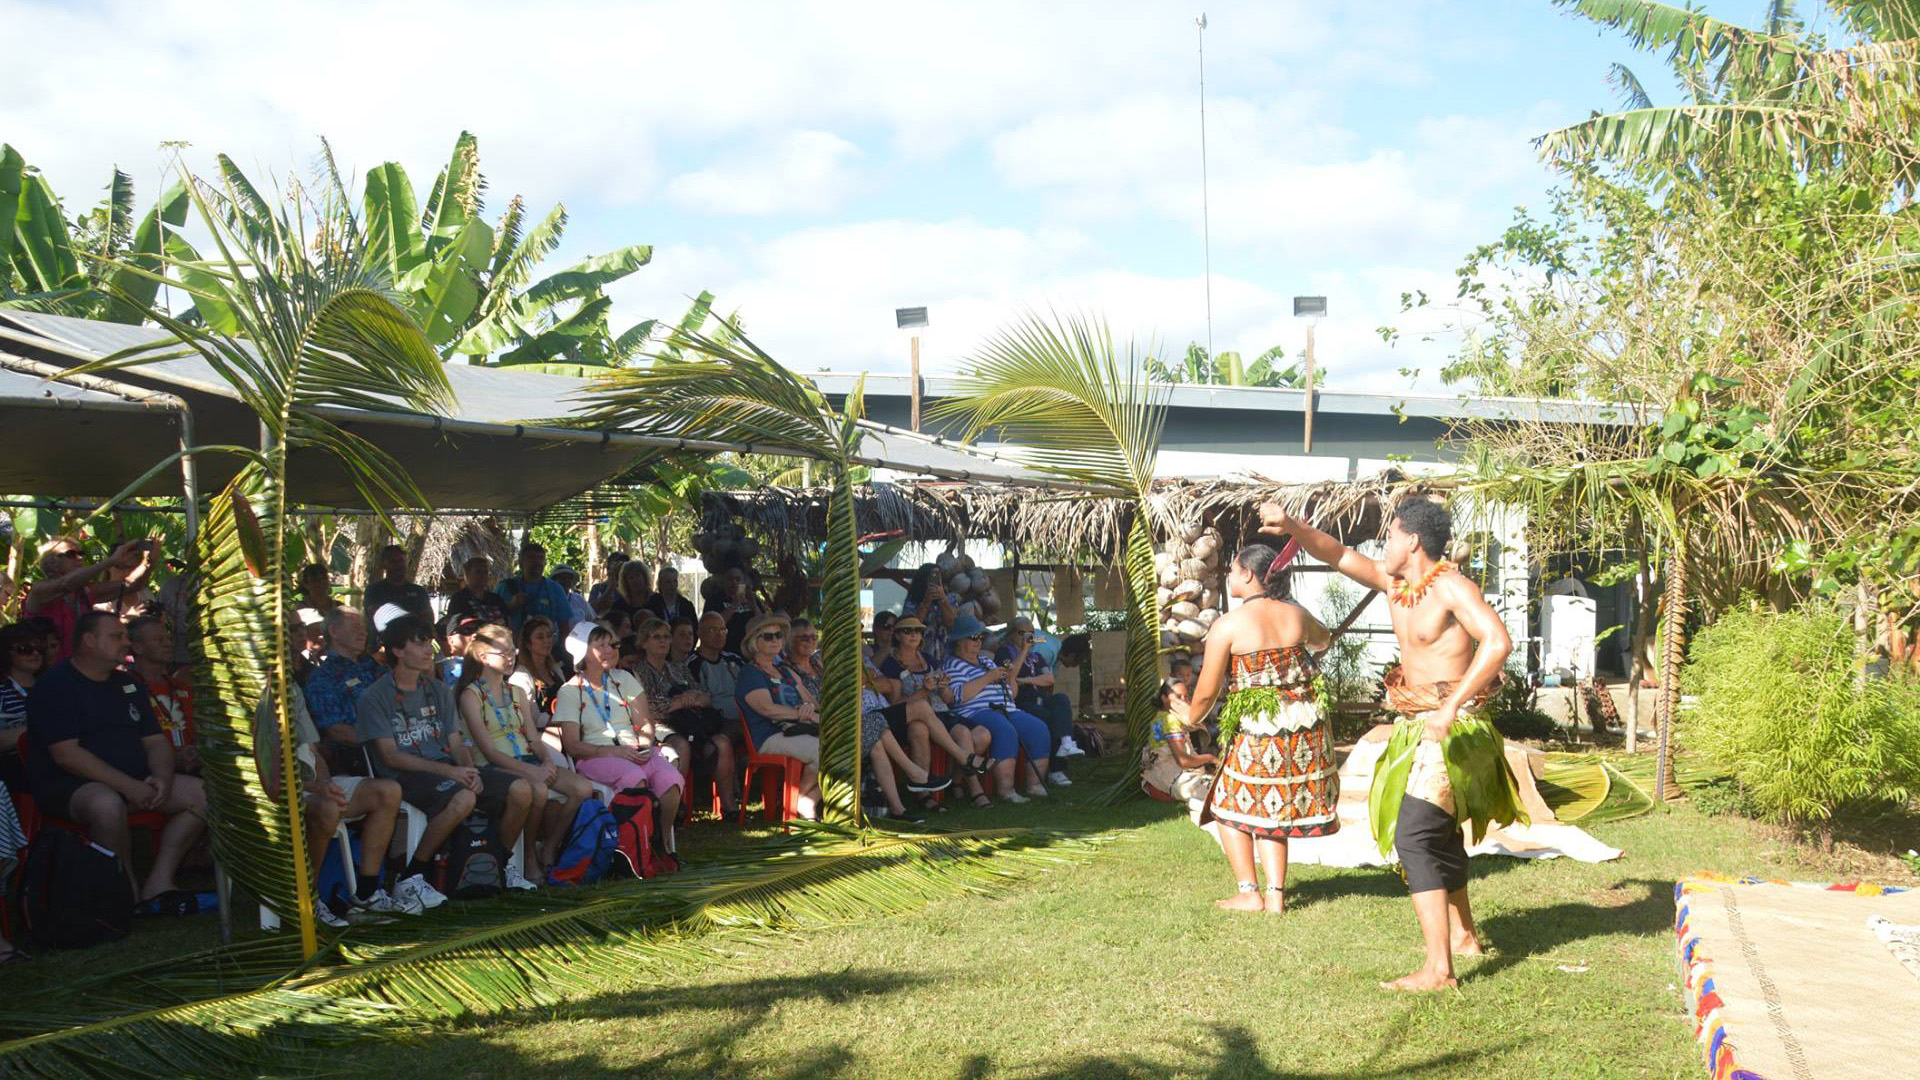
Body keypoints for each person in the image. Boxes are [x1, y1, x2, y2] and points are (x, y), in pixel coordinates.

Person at [1261, 498, 1518, 992]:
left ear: (1413, 541)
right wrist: (1292, 525)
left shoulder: (1451, 587)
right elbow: (1336, 554)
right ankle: (1463, 936)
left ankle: (1439, 970)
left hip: (1453, 725)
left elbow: (1497, 641)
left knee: (1416, 838)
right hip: (1416, 725)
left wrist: (1449, 706)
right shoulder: (1395, 584)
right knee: (1439, 835)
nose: (1386, 544)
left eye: (1392, 535)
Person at [1186, 543, 1335, 916]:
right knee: (1275, 807)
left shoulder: (1229, 624)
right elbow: (1323, 640)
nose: (1230, 576)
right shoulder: (1296, 614)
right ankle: (1276, 897)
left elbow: (1207, 690)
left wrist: (1191, 718)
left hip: (1260, 729)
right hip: (1305, 727)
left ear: (1248, 574)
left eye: (1233, 570)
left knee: (1225, 803)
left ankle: (1249, 892)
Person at [26, 610, 207, 907]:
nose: (125, 642)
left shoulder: (129, 684)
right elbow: (66, 755)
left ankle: (159, 881)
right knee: (106, 805)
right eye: (116, 636)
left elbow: (155, 742)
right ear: (88, 641)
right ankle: (125, 892)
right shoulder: (55, 686)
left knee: (202, 794)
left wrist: (162, 778)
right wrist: (128, 786)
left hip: (136, 780)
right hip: (74, 785)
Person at [358, 615, 537, 897]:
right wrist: (451, 773)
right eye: (419, 644)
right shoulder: (375, 696)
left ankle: (499, 864)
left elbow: (455, 744)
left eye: (429, 641)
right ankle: (413, 873)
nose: (430, 649)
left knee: (521, 789)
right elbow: (391, 757)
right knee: (464, 797)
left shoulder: (439, 690)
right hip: (406, 776)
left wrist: (470, 770)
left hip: (448, 771)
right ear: (397, 651)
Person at [255, 676, 415, 925]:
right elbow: (270, 778)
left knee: (388, 791)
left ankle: (367, 895)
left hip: (312, 784)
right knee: (328, 809)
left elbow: (313, 750)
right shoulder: (246, 687)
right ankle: (308, 899)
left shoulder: (290, 685)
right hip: (275, 790)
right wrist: (317, 788)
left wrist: (327, 784)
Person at [455, 623, 592, 882]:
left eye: (512, 651)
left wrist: (548, 761)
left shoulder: (516, 691)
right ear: (483, 657)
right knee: (539, 788)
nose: (511, 658)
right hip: (497, 765)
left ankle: (550, 845)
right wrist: (534, 771)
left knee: (582, 788)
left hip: (529, 759)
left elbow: (533, 737)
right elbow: (488, 751)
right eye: (504, 653)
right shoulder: (471, 695)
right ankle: (527, 855)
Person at [553, 623, 684, 849]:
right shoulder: (570, 690)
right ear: (582, 651)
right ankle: (634, 846)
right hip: (596, 757)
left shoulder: (623, 677)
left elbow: (644, 723)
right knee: (634, 778)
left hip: (632, 751)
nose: (610, 650)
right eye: (601, 645)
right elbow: (572, 745)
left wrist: (643, 745)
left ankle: (659, 845)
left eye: (612, 645)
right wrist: (613, 751)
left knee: (670, 779)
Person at [879, 616, 993, 806]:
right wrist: (923, 690)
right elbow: (896, 705)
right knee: (927, 730)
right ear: (897, 635)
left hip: (940, 711)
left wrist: (942, 686)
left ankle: (958, 782)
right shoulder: (891, 664)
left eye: (918, 631)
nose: (914, 635)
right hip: (913, 719)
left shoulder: (929, 659)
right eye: (908, 630)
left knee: (980, 734)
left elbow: (947, 698)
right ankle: (968, 788)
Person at [632, 616, 738, 817]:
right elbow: (648, 708)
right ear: (644, 642)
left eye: (666, 636)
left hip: (693, 724)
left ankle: (729, 807)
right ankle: (676, 807)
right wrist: (681, 701)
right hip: (659, 726)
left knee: (722, 743)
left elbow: (705, 696)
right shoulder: (638, 671)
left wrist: (693, 699)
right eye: (656, 637)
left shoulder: (679, 667)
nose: (663, 641)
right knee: (681, 746)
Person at [941, 614, 1053, 803]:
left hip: (1006, 708)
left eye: (981, 637)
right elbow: (957, 697)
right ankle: (1006, 791)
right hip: (976, 712)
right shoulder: (952, 665)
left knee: (1038, 728)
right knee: (1004, 730)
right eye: (973, 637)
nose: (979, 641)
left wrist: (1009, 678)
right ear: (959, 641)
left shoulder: (987, 662)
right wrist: (987, 678)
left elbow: (1012, 694)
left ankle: (1035, 785)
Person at [734, 613, 820, 819]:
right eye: (768, 636)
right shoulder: (750, 674)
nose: (775, 640)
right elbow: (767, 709)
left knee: (844, 749)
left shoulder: (786, 671)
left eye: (779, 635)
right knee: (824, 750)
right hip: (769, 736)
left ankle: (804, 800)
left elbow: (813, 702)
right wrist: (800, 713)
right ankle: (801, 803)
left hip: (799, 730)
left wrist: (808, 707)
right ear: (754, 642)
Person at [24, 536, 147, 663]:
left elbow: (131, 585)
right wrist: (110, 561)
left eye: (81, 553)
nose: (80, 558)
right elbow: (65, 584)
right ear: (52, 563)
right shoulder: (40, 590)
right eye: (71, 554)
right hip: (45, 670)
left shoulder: (84, 592)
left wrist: (148, 562)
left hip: (79, 668)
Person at [996, 616, 1080, 784]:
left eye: (1031, 633)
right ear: (1011, 634)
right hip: (1020, 701)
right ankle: (1057, 769)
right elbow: (1010, 675)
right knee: (1050, 718)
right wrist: (1023, 652)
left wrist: (1025, 680)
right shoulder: (1003, 654)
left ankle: (1067, 742)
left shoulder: (1037, 656)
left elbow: (1049, 680)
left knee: (1061, 699)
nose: (1027, 637)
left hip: (1038, 696)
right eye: (1022, 633)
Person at [304, 607, 385, 775]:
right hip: (361, 760)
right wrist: (385, 741)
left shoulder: (372, 666)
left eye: (364, 628)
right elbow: (337, 731)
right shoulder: (323, 677)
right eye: (355, 627)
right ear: (334, 631)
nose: (363, 633)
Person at [125, 616, 197, 775]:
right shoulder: (124, 688)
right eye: (158, 640)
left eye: (168, 638)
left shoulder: (181, 686)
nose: (168, 644)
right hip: (150, 774)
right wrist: (171, 760)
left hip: (193, 768)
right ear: (137, 648)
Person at [1, 622, 47, 789]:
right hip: (16, 768)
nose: (35, 654)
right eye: (25, 649)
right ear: (6, 653)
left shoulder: (55, 685)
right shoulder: (2, 692)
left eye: (40, 649)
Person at [687, 611, 744, 741]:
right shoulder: (692, 664)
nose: (719, 635)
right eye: (713, 630)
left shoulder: (735, 660)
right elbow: (699, 703)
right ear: (699, 633)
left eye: (723, 630)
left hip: (747, 717)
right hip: (717, 724)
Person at [497, 541, 572, 634]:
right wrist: (510, 606)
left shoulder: (555, 589)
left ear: (545, 563)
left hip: (546, 645)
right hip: (512, 645)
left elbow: (564, 626)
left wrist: (561, 648)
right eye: (531, 557)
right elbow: (492, 621)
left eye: (541, 558)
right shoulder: (506, 587)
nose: (537, 562)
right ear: (520, 563)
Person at [509, 615, 570, 728]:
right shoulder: (520, 677)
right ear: (528, 644)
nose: (547, 641)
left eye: (549, 636)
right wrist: (568, 721)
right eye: (540, 637)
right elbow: (532, 717)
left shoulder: (555, 669)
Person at [364, 544, 432, 627]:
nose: (398, 565)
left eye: (401, 560)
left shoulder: (419, 591)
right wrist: (413, 616)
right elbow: (376, 615)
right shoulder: (374, 589)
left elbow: (428, 619)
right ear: (384, 564)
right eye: (392, 561)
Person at [901, 564, 958, 661]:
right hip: (920, 654)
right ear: (923, 579)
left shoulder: (950, 598)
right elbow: (911, 626)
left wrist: (943, 599)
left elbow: (952, 623)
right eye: (931, 576)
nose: (935, 578)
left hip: (947, 653)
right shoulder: (912, 601)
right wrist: (926, 603)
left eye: (938, 575)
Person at [94, 537, 161, 618]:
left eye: (130, 568)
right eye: (121, 567)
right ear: (108, 567)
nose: (125, 573)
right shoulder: (101, 600)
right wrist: (129, 617)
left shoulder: (144, 593)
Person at [443, 555, 506, 630]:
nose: (482, 576)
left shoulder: (495, 599)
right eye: (478, 572)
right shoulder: (459, 599)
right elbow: (453, 626)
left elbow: (506, 621)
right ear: (467, 575)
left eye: (485, 572)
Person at [606, 560, 654, 625]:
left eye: (638, 576)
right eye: (631, 577)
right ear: (625, 582)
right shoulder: (619, 605)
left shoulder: (657, 600)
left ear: (645, 578)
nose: (635, 580)